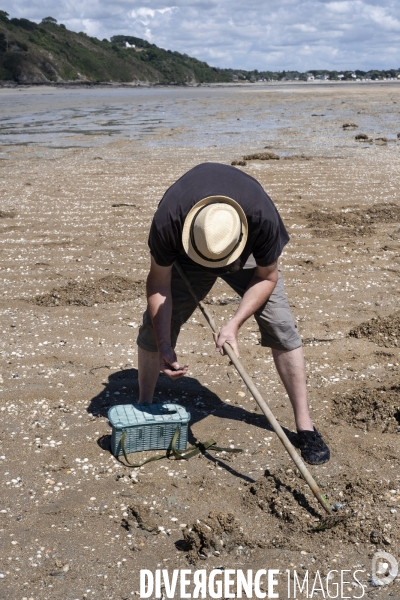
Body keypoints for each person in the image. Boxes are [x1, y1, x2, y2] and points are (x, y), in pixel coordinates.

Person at [136, 162, 330, 465]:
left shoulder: (261, 219)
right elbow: (159, 285)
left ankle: (305, 425)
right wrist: (164, 344)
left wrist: (234, 324)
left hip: (246, 253)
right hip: (190, 254)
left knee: (281, 327)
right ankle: (144, 406)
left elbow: (267, 277)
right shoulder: (169, 221)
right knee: (154, 328)